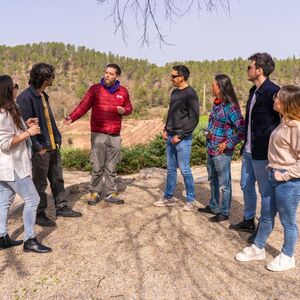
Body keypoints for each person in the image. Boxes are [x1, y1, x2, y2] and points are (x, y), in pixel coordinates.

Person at [235, 85, 300, 272]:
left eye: (278, 97)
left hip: (288, 181)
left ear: (287, 102)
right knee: (266, 215)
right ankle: (259, 247)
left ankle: (288, 256)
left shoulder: (296, 127)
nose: (274, 99)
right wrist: (271, 166)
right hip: (274, 174)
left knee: (288, 221)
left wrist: (285, 174)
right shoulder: (284, 121)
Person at [17, 63, 82, 227]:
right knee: (39, 183)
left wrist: (57, 138)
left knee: (57, 178)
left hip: (52, 145)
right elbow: (25, 127)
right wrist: (38, 147)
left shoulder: (43, 95)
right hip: (40, 149)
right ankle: (39, 213)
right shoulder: (25, 98)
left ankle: (62, 207)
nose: (54, 77)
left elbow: (49, 120)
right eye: (52, 75)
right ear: (45, 78)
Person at [64, 64, 133, 205]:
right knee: (97, 165)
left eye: (111, 74)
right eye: (106, 72)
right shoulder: (95, 89)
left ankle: (110, 193)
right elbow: (83, 106)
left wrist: (124, 111)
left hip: (114, 134)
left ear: (117, 76)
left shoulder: (123, 91)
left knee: (112, 166)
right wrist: (72, 117)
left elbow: (129, 108)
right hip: (98, 133)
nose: (107, 75)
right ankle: (94, 192)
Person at [229, 53, 280, 241]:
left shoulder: (273, 92)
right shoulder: (253, 91)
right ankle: (248, 220)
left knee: (265, 191)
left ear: (259, 70)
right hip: (249, 150)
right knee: (245, 184)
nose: (247, 70)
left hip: (263, 152)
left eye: (249, 67)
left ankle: (263, 229)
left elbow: (282, 121)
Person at [0, 75, 51, 253]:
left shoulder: (10, 110)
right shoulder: (2, 114)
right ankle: (30, 240)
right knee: (33, 199)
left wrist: (26, 125)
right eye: (14, 85)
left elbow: (13, 131)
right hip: (12, 166)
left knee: (4, 201)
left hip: (8, 166)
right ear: (7, 89)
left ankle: (2, 237)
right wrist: (28, 133)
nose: (17, 88)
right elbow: (4, 143)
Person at [198, 74, 245, 222]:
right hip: (211, 148)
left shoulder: (231, 108)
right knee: (212, 179)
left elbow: (242, 130)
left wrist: (228, 143)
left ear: (222, 88)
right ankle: (213, 205)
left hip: (222, 152)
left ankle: (224, 212)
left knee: (224, 184)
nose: (212, 87)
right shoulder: (216, 104)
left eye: (214, 85)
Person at [153, 65, 199, 212]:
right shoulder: (174, 92)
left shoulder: (191, 94)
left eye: (174, 76)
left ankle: (191, 200)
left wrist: (181, 135)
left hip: (182, 138)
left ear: (182, 77)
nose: (171, 78)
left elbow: (194, 118)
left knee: (185, 169)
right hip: (170, 135)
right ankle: (168, 197)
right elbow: (172, 113)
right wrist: (166, 129)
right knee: (171, 169)